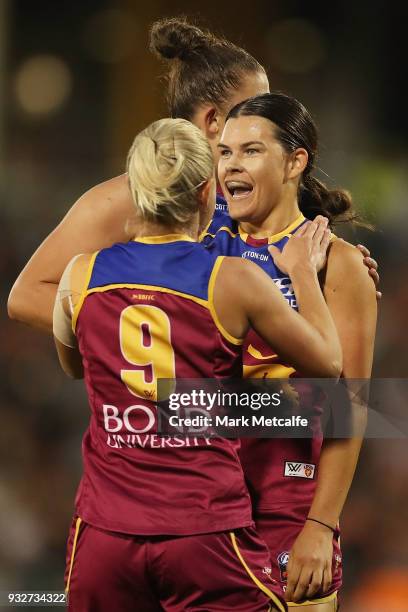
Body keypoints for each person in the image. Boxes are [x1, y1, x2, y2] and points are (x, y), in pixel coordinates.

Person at [7, 17, 378, 610]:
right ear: (212, 124)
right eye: (246, 116)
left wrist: (323, 523)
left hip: (276, 509)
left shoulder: (301, 250)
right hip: (185, 507)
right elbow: (29, 295)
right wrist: (157, 374)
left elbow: (354, 398)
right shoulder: (136, 204)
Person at [55, 117, 342, 611]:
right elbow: (330, 366)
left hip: (103, 536)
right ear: (208, 191)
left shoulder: (80, 273)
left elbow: (75, 366)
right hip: (203, 534)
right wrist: (303, 274)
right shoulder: (231, 279)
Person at [7, 17, 379, 333]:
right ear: (213, 121)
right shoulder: (134, 196)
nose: (267, 117)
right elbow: (29, 294)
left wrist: (343, 285)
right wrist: (148, 338)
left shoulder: (254, 198)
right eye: (253, 107)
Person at [201, 92, 377, 610]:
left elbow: (352, 402)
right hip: (199, 507)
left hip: (287, 510)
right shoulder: (195, 246)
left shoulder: (337, 263)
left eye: (251, 151)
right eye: (226, 152)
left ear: (295, 161)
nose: (231, 164)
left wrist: (320, 526)